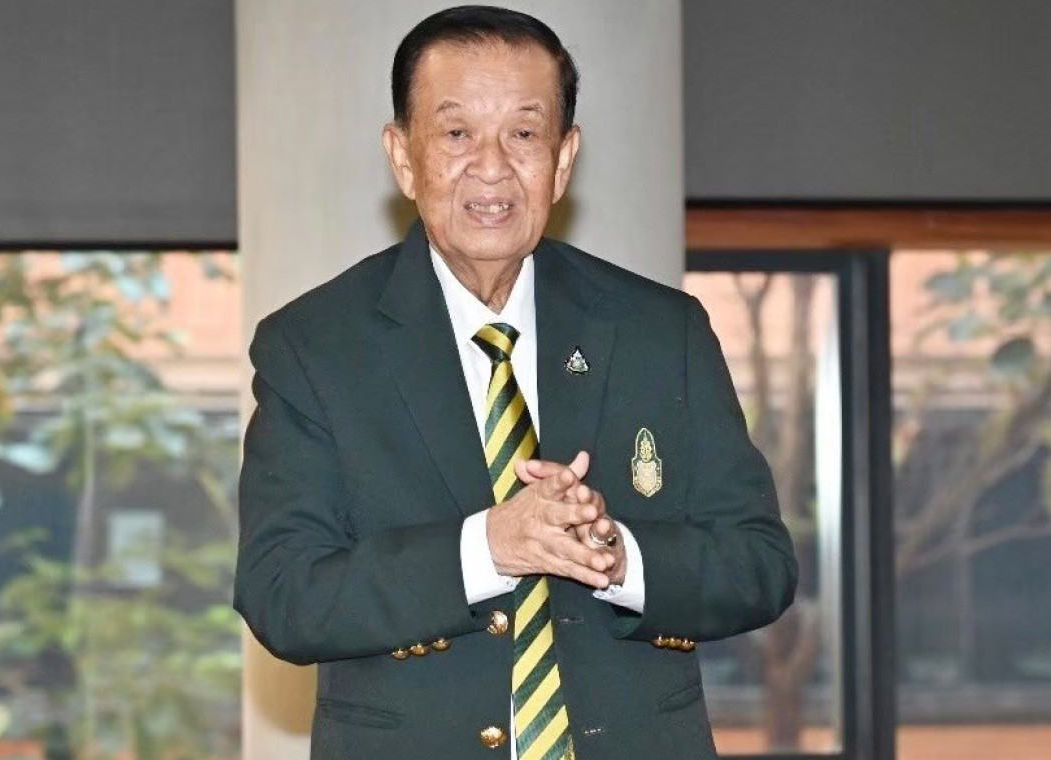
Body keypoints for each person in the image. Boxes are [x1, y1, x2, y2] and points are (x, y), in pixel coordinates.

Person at [234, 6, 796, 759]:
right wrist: (488, 547)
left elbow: (759, 566)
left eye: (524, 134)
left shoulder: (661, 331)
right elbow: (282, 593)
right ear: (403, 157)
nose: (492, 167)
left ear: (563, 161)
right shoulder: (315, 346)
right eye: (457, 133)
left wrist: (619, 555)